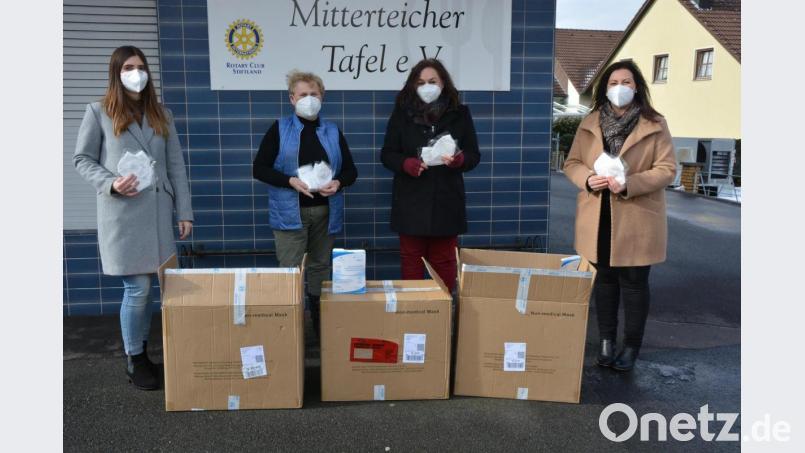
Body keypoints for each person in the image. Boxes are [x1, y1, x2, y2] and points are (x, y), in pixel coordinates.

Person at [74, 45, 193, 390]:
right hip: (123, 216)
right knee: (138, 288)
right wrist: (111, 183)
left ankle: (142, 353)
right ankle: (134, 358)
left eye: (140, 66)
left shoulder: (162, 114)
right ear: (116, 72)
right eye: (128, 66)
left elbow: (176, 166)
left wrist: (184, 211)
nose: (136, 72)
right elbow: (82, 159)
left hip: (157, 215)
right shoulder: (98, 112)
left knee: (152, 290)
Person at [563, 60, 677, 372]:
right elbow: (572, 162)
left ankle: (631, 347)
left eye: (626, 82)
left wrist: (631, 183)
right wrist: (587, 178)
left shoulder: (655, 123)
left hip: (637, 216)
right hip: (598, 213)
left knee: (635, 283)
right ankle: (605, 341)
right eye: (614, 83)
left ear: (637, 86)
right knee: (605, 281)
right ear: (605, 88)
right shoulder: (590, 122)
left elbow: (667, 169)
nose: (620, 88)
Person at [253, 70, 357, 337]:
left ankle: (320, 327)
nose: (309, 99)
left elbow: (351, 171)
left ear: (322, 96)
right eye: (303, 95)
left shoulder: (332, 131)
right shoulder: (279, 129)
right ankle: (289, 329)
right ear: (291, 98)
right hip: (290, 212)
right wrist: (289, 181)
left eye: (314, 94)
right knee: (290, 271)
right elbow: (259, 168)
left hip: (326, 212)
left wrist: (339, 183)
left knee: (320, 268)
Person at [380, 59, 480, 294]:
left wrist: (460, 160)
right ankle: (414, 317)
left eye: (432, 81)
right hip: (410, 203)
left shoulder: (460, 114)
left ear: (443, 83)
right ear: (413, 86)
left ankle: (444, 316)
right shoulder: (401, 114)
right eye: (421, 82)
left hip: (446, 202)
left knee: (445, 265)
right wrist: (406, 164)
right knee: (411, 263)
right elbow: (386, 154)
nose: (427, 86)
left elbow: (474, 155)